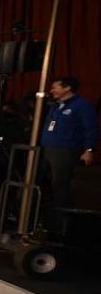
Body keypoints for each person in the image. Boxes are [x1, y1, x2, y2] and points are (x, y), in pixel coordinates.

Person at [41, 76, 97, 222]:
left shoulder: (82, 105)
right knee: (44, 182)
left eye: (55, 87)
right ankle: (45, 215)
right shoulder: (55, 105)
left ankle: (63, 219)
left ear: (67, 88)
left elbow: (91, 129)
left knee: (60, 184)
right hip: (47, 148)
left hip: (65, 150)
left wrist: (89, 150)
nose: (52, 90)